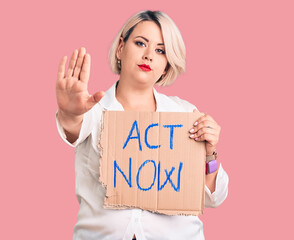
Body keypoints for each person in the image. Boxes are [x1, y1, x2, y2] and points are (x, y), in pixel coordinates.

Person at [55, 10, 229, 240]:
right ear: (120, 48)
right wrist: (69, 113)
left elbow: (214, 199)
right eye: (140, 43)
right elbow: (73, 129)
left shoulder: (185, 115)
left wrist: (209, 155)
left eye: (160, 50)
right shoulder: (93, 111)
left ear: (166, 65)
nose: (149, 55)